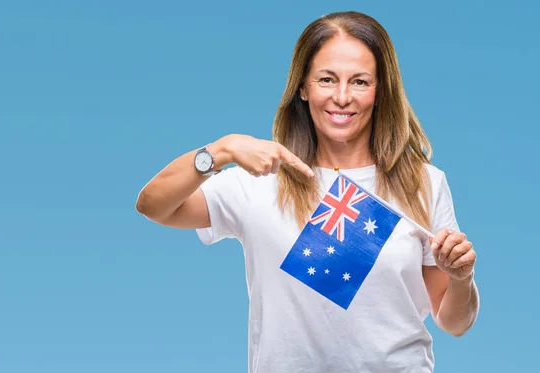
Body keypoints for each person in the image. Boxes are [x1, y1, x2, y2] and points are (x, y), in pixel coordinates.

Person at [136, 10, 479, 373]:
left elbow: (454, 322)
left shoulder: (423, 183)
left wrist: (461, 277)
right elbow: (153, 205)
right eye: (327, 79)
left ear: (380, 91)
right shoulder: (261, 178)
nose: (342, 97)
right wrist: (220, 150)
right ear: (303, 86)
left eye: (360, 82)